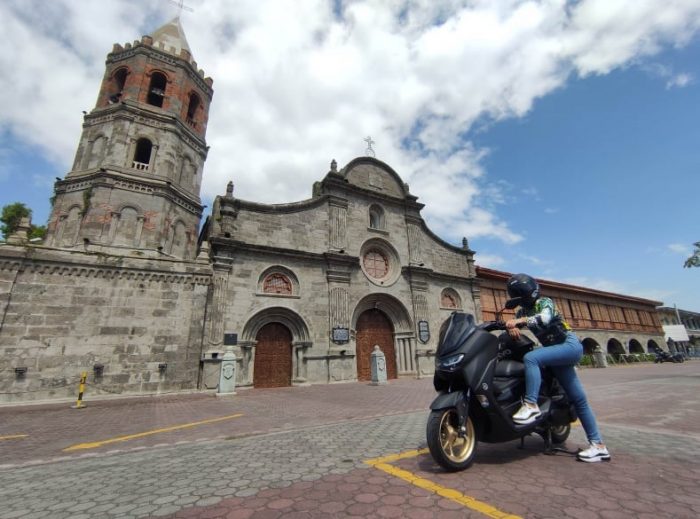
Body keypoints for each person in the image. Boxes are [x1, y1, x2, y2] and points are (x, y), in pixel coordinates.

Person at [504, 273, 611, 463]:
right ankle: (599, 446)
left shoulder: (544, 302)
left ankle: (531, 405)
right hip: (555, 352)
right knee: (579, 400)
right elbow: (517, 323)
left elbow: (544, 319)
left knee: (531, 358)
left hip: (568, 345)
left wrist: (518, 323)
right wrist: (511, 327)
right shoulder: (521, 312)